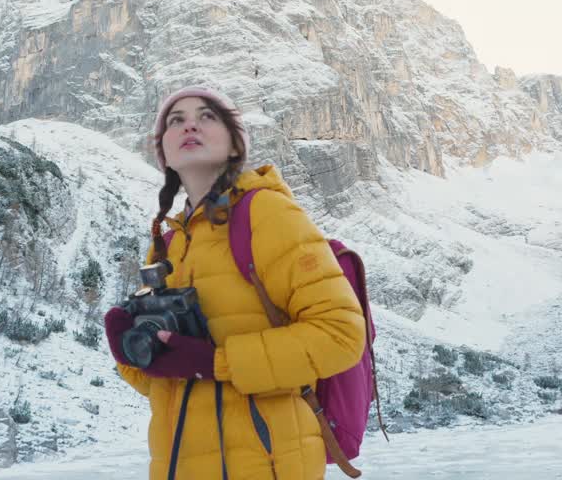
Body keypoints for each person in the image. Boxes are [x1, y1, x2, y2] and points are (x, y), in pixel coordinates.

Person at [104, 86, 367, 479]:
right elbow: (172, 386)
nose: (189, 123)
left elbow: (341, 335)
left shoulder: (267, 212)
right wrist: (131, 355)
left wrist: (216, 362)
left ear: (233, 146)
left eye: (207, 116)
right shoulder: (169, 242)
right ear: (165, 153)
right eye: (175, 120)